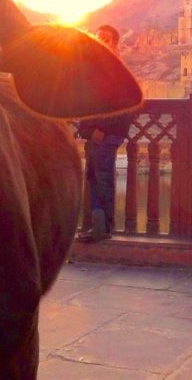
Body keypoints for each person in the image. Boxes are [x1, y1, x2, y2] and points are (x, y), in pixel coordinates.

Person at [76, 25, 133, 243]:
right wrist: (87, 130)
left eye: (106, 39)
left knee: (103, 178)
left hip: (106, 135)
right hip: (94, 135)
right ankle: (96, 226)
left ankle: (105, 227)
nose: (101, 42)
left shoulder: (116, 69)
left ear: (115, 43)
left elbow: (126, 104)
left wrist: (103, 130)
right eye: (97, 37)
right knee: (93, 177)